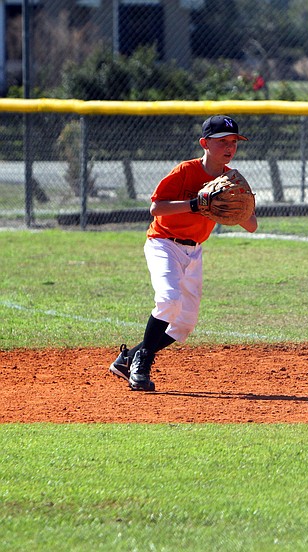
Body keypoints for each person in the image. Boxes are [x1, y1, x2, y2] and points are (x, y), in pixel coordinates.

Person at [108, 115, 258, 391]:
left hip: (194, 252)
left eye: (234, 142)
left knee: (184, 324)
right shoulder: (185, 172)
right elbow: (156, 208)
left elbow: (252, 225)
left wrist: (238, 206)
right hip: (163, 242)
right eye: (222, 141)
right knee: (169, 300)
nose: (229, 147)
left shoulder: (230, 180)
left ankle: (127, 359)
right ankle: (143, 361)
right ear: (204, 143)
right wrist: (195, 203)